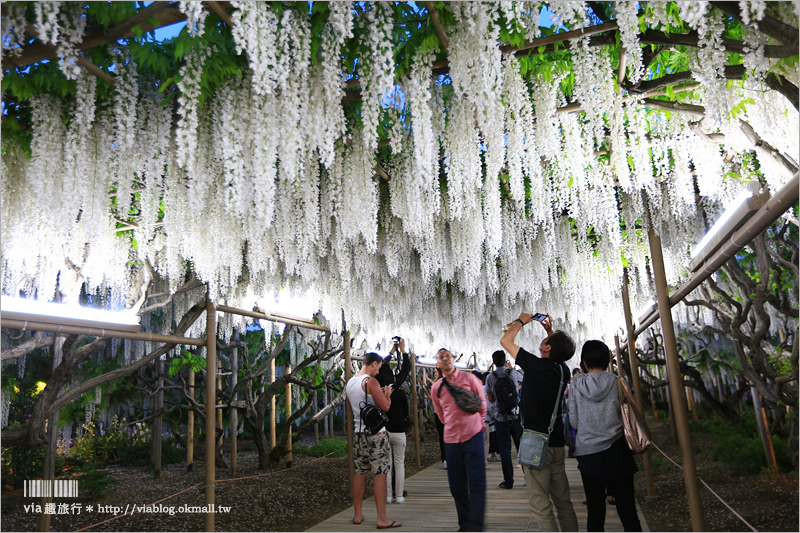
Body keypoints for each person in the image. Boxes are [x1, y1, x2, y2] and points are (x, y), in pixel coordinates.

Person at [500, 313, 579, 532]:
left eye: (545, 343)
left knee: (541, 504)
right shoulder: (562, 371)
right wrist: (550, 332)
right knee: (563, 503)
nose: (541, 344)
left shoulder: (535, 366)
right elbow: (558, 353)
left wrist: (521, 321)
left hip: (535, 444)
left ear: (548, 349)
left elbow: (506, 341)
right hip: (556, 445)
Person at [568, 340, 642, 532]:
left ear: (584, 362)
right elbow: (626, 415)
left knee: (595, 511)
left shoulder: (576, 385)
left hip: (588, 454)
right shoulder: (617, 382)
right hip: (617, 451)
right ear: (607, 361)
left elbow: (574, 422)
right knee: (627, 510)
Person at [431, 348, 488, 532]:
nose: (445, 359)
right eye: (441, 357)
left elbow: (482, 404)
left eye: (448, 355)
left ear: (453, 358)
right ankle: (465, 524)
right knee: (457, 485)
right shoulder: (436, 387)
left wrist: (478, 424)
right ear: (437, 363)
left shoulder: (470, 379)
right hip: (451, 440)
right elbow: (440, 413)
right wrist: (451, 426)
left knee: (477, 482)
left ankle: (476, 526)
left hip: (473, 436)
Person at [346, 352, 402, 529]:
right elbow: (385, 406)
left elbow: (353, 410)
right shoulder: (371, 382)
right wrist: (387, 394)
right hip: (376, 435)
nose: (378, 372)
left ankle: (357, 514)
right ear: (373, 364)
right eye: (378, 367)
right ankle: (382, 518)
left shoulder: (350, 382)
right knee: (380, 473)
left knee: (359, 472)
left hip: (358, 434)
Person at [377, 339, 412, 504]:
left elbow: (382, 364)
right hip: (399, 431)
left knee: (388, 464)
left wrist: (391, 352)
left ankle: (389, 496)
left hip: (385, 431)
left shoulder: (377, 390)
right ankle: (399, 496)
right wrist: (402, 351)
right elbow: (406, 368)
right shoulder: (398, 390)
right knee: (399, 464)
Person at [484, 350, 523, 489]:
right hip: (515, 415)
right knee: (521, 446)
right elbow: (522, 382)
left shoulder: (490, 377)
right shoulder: (513, 373)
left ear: (493, 362)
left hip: (500, 417)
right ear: (505, 360)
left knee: (505, 449)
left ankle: (508, 481)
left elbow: (490, 398)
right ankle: (529, 478)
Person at [564, 367, 581, 458]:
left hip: (576, 412)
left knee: (574, 433)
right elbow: (566, 394)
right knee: (572, 433)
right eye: (576, 374)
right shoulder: (570, 384)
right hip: (570, 411)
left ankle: (575, 450)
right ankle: (571, 450)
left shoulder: (581, 384)